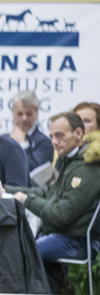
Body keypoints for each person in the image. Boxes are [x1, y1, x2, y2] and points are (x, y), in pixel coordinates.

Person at [8, 112, 100, 266]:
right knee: (15, 246)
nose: (54, 142)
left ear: (78, 134)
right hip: (63, 236)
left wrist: (27, 200)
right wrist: (6, 189)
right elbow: (47, 194)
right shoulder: (72, 162)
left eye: (60, 136)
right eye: (51, 137)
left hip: (78, 242)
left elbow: (60, 216)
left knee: (19, 252)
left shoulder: (86, 168)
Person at [3, 90, 54, 172]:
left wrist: (23, 144)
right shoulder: (3, 140)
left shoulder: (45, 143)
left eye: (29, 114)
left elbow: (34, 171)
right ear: (13, 113)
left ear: (36, 114)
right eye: (20, 114)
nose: (24, 118)